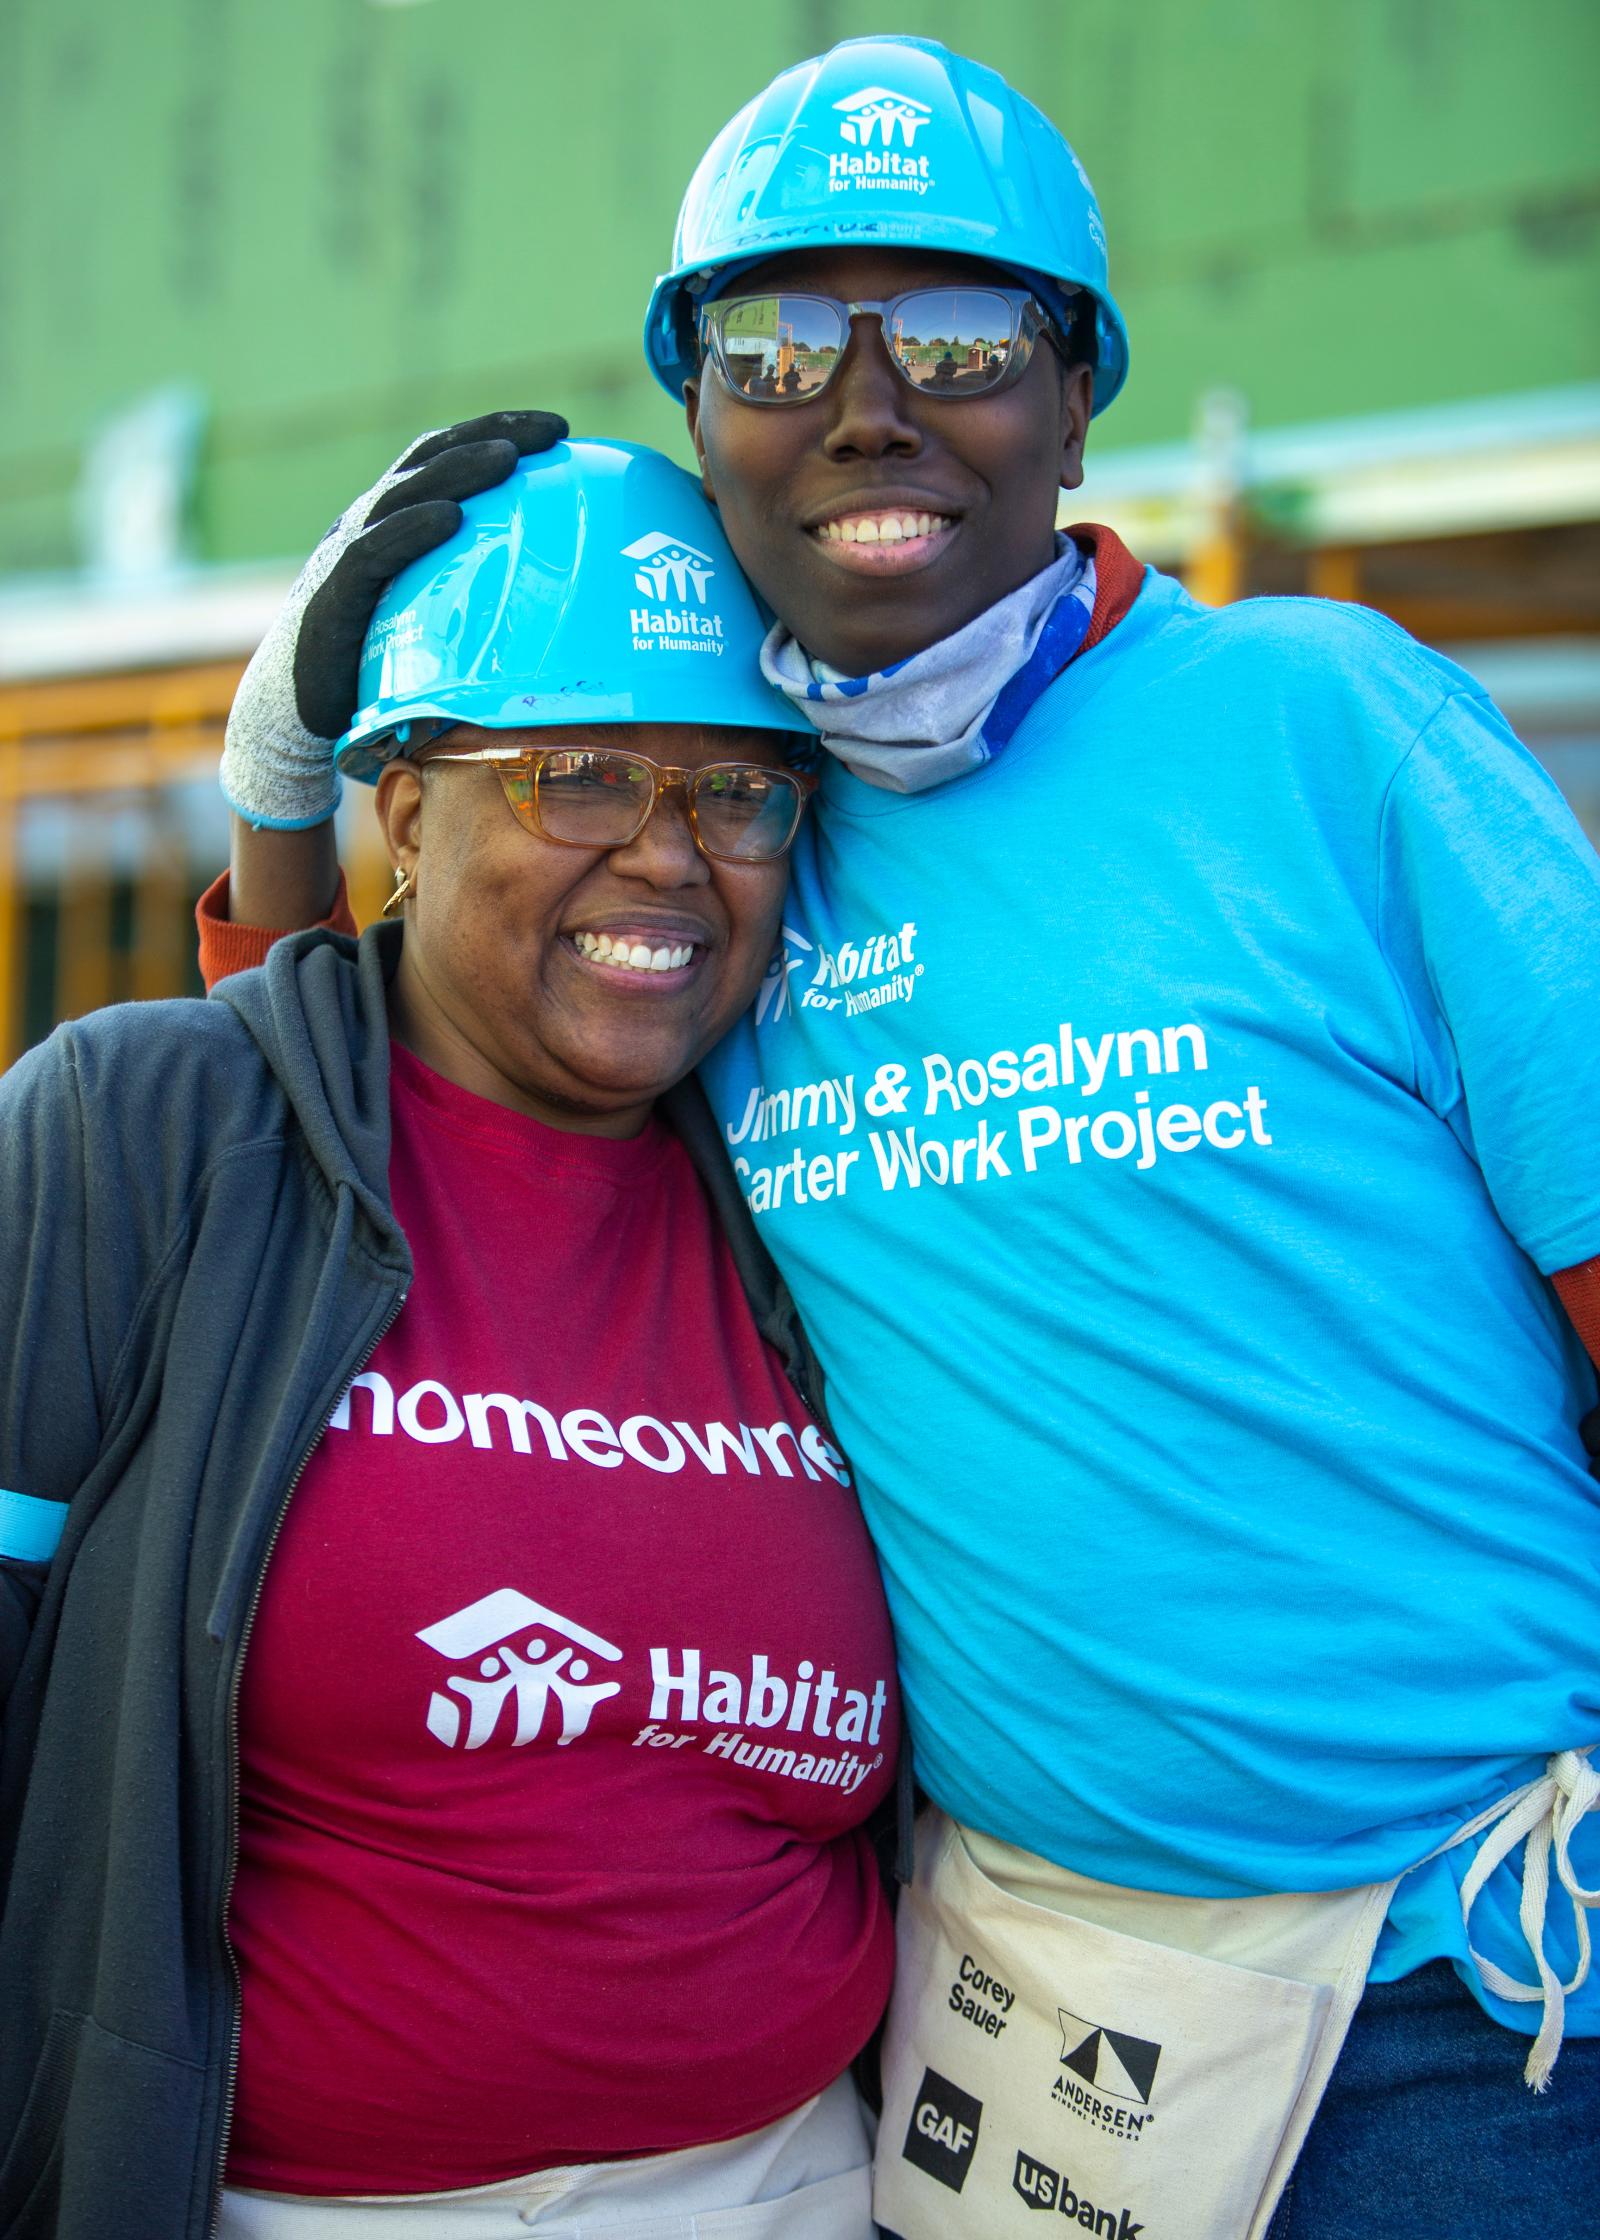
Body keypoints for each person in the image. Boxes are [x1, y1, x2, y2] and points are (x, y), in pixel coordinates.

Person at [198, 33, 1600, 2239]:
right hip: (1020, 1999)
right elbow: (354, 1123)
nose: (866, 407)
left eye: (954, 336)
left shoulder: (1324, 727)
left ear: (1069, 393)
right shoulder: (746, 854)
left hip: (1471, 2003)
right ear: (701, 414)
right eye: (775, 344)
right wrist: (287, 780)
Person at [0, 439, 899, 2240]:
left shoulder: (816, 1181)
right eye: (577, 776)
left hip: (804, 2181)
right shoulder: (136, 1131)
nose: (671, 854)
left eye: (739, 793)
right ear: (402, 811)